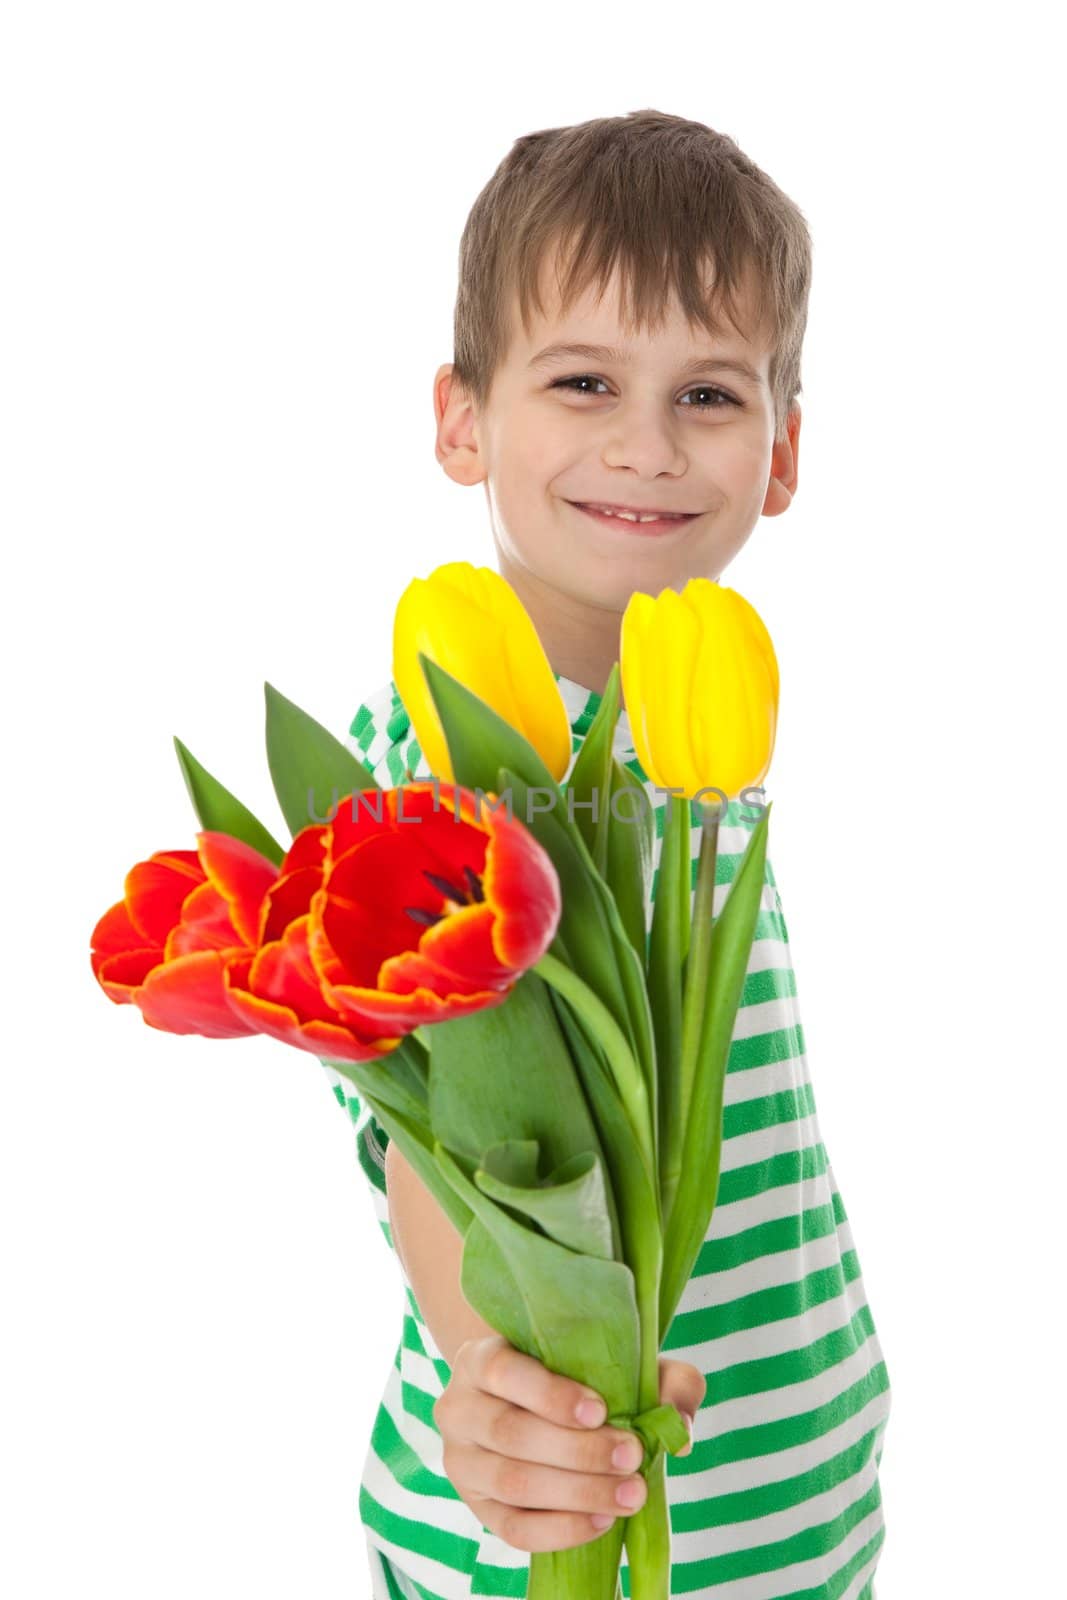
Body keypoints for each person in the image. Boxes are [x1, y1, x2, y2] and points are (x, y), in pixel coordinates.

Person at [325, 107, 891, 1600]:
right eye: (583, 381)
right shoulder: (433, 768)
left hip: (796, 1486)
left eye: (709, 393)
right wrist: (490, 1372)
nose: (646, 445)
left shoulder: (690, 720)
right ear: (461, 419)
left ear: (782, 455)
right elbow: (441, 1135)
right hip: (546, 1511)